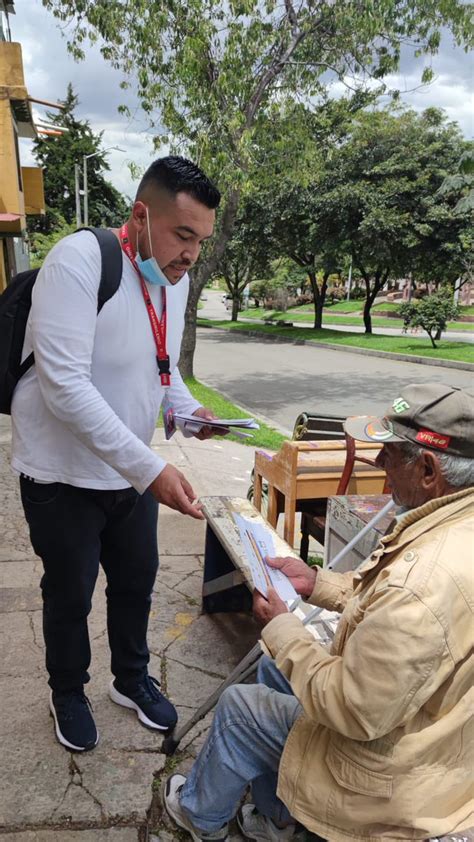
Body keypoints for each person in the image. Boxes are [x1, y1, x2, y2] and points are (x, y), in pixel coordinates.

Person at [163, 383, 474, 842]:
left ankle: (200, 818)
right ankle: (278, 819)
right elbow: (386, 600)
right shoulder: (452, 522)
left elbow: (352, 708)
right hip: (430, 731)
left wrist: (282, 628)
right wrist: (317, 584)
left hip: (397, 775)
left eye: (389, 453)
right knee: (273, 671)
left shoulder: (423, 580)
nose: (377, 464)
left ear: (428, 469)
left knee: (239, 707)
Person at [11, 156, 222, 752]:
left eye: (201, 241)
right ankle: (68, 691)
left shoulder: (168, 282)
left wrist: (189, 414)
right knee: (70, 591)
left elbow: (162, 372)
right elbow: (65, 385)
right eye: (183, 234)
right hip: (60, 474)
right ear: (139, 215)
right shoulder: (79, 262)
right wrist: (152, 468)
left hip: (128, 476)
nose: (191, 255)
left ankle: (130, 678)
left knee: (137, 581)